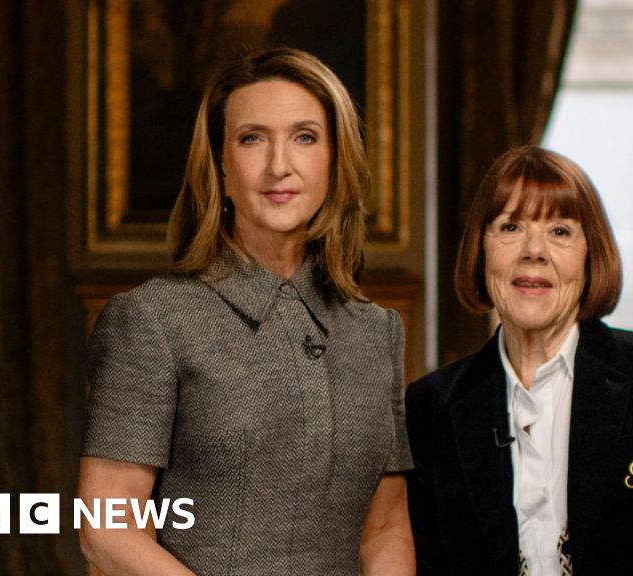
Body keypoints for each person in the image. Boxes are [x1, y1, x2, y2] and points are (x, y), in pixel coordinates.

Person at [77, 47, 414, 575]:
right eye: (252, 138)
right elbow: (107, 528)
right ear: (220, 166)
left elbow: (385, 529)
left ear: (335, 159)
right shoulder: (151, 319)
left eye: (305, 137)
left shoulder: (376, 331)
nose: (280, 165)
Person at [405, 146, 633, 575]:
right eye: (510, 227)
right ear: (481, 250)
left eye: (559, 231)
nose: (534, 251)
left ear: (589, 255)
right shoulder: (431, 406)